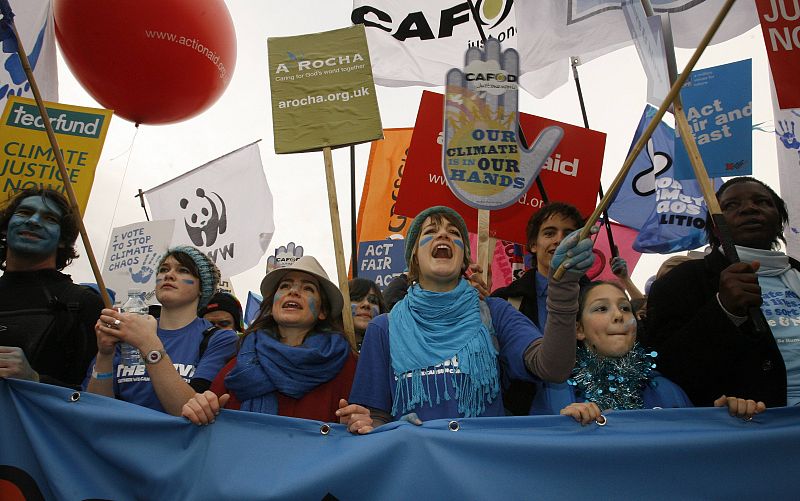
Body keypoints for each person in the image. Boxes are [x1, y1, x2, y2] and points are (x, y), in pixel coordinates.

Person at [341, 206, 592, 430]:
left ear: (464, 260)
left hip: (484, 472)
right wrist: (367, 423)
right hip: (416, 471)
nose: (443, 235)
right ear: (414, 256)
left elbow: (554, 368)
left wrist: (563, 291)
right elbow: (374, 417)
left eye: (454, 233)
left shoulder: (495, 312)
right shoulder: (383, 328)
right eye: (430, 232)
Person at [643, 177, 796, 407]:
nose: (749, 208)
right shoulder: (681, 281)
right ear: (715, 225)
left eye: (762, 202)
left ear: (779, 218)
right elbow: (667, 367)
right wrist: (723, 310)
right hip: (755, 426)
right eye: (731, 206)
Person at [530, 277, 765, 424]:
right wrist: (563, 429)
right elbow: (536, 462)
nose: (618, 315)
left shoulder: (667, 389)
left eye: (625, 307)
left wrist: (722, 421)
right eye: (601, 308)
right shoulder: (556, 394)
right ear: (579, 329)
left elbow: (692, 455)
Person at [182, 256, 361, 428]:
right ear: (273, 304)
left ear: (322, 311)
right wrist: (201, 408)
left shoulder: (345, 362)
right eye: (285, 286)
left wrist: (359, 422)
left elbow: (360, 423)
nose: (293, 291)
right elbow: (208, 408)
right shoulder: (242, 359)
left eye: (308, 288)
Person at [84, 246, 238, 414]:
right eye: (164, 269)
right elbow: (95, 410)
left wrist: (147, 343)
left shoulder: (219, 339)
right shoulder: (127, 331)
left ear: (203, 287)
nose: (169, 275)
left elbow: (190, 412)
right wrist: (104, 355)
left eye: (183, 270)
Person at [0, 188, 102, 389]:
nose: (34, 221)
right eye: (24, 213)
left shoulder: (83, 303)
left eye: (50, 219)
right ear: (5, 228)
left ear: (63, 240)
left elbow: (97, 398)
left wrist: (34, 380)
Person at [490, 202, 585, 414]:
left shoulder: (597, 298)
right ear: (533, 244)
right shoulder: (506, 301)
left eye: (569, 234)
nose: (559, 240)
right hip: (524, 427)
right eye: (549, 233)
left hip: (588, 421)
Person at [348, 277, 387, 350]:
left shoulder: (390, 351)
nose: (366, 304)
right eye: (357, 298)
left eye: (373, 300)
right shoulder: (326, 350)